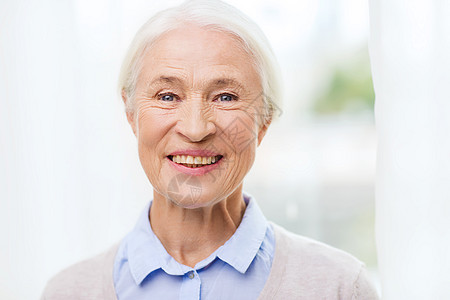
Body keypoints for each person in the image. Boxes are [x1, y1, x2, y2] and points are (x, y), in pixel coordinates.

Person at [41, 0, 379, 299]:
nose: (195, 128)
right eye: (167, 96)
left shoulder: (339, 287)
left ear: (263, 121)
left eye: (225, 97)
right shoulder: (68, 292)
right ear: (131, 114)